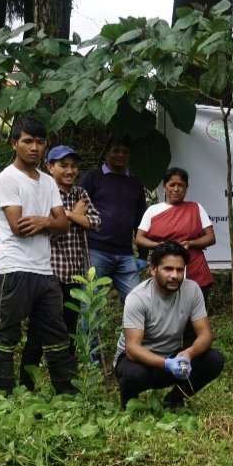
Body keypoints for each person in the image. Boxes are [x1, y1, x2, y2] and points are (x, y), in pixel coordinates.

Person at [0, 117, 78, 395]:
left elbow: (63, 225)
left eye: (40, 142)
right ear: (14, 143)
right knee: (6, 335)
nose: (34, 148)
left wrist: (45, 222)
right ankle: (2, 394)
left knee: (56, 336)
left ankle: (67, 394)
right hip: (12, 269)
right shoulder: (6, 178)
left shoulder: (48, 181)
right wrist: (48, 222)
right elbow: (20, 227)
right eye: (28, 141)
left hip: (44, 271)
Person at [114, 240, 225, 409]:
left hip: (172, 356)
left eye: (180, 270)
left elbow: (205, 334)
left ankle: (174, 399)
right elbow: (132, 348)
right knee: (133, 375)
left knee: (214, 359)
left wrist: (188, 353)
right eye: (168, 269)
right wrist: (166, 364)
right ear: (153, 269)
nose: (175, 275)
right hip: (137, 361)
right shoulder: (137, 298)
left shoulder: (192, 290)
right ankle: (129, 406)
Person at [32, 144, 101, 379]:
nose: (70, 170)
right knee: (44, 324)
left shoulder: (80, 194)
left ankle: (66, 374)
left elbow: (95, 222)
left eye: (73, 166)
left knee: (69, 326)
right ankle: (32, 373)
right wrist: (74, 216)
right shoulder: (43, 193)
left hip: (73, 272)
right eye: (63, 165)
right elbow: (49, 229)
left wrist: (69, 214)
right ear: (49, 167)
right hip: (48, 272)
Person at [80, 137, 147, 360]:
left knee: (138, 303)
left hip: (126, 255)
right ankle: (92, 360)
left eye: (124, 152)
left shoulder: (136, 184)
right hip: (95, 251)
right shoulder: (92, 178)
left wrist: (143, 255)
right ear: (107, 153)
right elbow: (78, 210)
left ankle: (130, 354)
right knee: (91, 306)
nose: (120, 155)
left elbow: (141, 220)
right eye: (115, 150)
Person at [135, 167, 217, 302]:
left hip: (194, 267)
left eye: (181, 185)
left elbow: (210, 237)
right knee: (164, 314)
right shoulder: (153, 210)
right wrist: (158, 246)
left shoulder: (196, 208)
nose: (176, 189)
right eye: (172, 185)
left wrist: (191, 243)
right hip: (163, 268)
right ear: (164, 187)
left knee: (196, 314)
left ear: (186, 188)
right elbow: (139, 239)